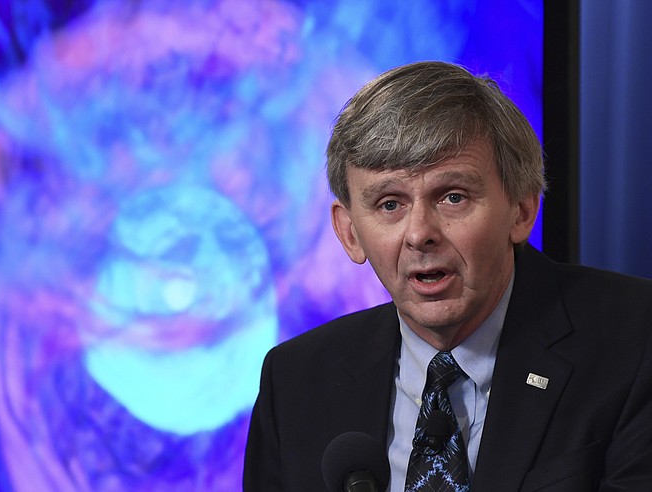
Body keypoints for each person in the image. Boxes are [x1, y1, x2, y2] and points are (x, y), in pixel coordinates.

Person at [243, 61, 652, 491]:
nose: (420, 234)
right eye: (389, 204)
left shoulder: (636, 341)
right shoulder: (294, 382)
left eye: (452, 197)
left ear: (522, 210)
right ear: (349, 233)